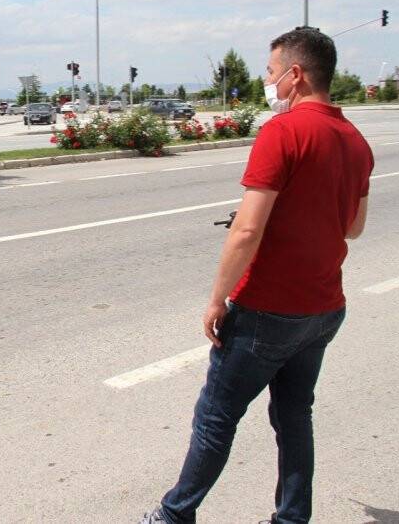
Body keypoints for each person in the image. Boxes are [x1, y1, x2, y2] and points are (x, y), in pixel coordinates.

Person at [142, 27, 373, 524]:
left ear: (295, 75)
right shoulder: (355, 140)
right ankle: (291, 518)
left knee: (215, 418)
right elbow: (353, 227)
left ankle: (173, 515)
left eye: (270, 73)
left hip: (267, 310)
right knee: (294, 419)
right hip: (324, 309)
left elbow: (247, 229)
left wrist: (216, 300)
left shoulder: (281, 132)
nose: (267, 82)